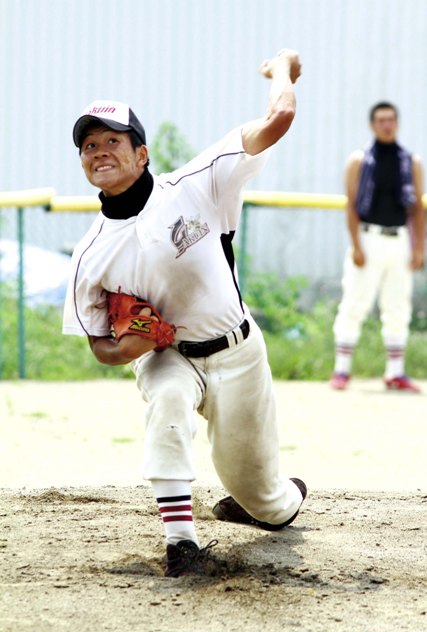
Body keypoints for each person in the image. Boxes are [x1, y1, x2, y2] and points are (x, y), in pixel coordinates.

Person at [63, 48, 307, 578]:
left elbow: (279, 118)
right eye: (88, 145)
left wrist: (282, 69)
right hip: (168, 356)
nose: (99, 150)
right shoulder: (90, 254)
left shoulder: (199, 183)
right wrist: (124, 348)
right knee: (168, 398)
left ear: (142, 153)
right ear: (82, 162)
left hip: (238, 352)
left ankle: (264, 500)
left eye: (112, 140)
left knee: (270, 502)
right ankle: (181, 542)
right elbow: (100, 346)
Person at [330, 102, 425, 392]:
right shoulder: (359, 161)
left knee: (397, 306)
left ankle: (395, 371)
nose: (387, 125)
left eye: (392, 120)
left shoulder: (410, 161)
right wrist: (356, 244)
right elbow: (351, 205)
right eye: (382, 120)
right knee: (355, 302)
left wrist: (419, 247)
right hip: (368, 237)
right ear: (373, 124)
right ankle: (342, 370)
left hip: (399, 240)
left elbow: (418, 209)